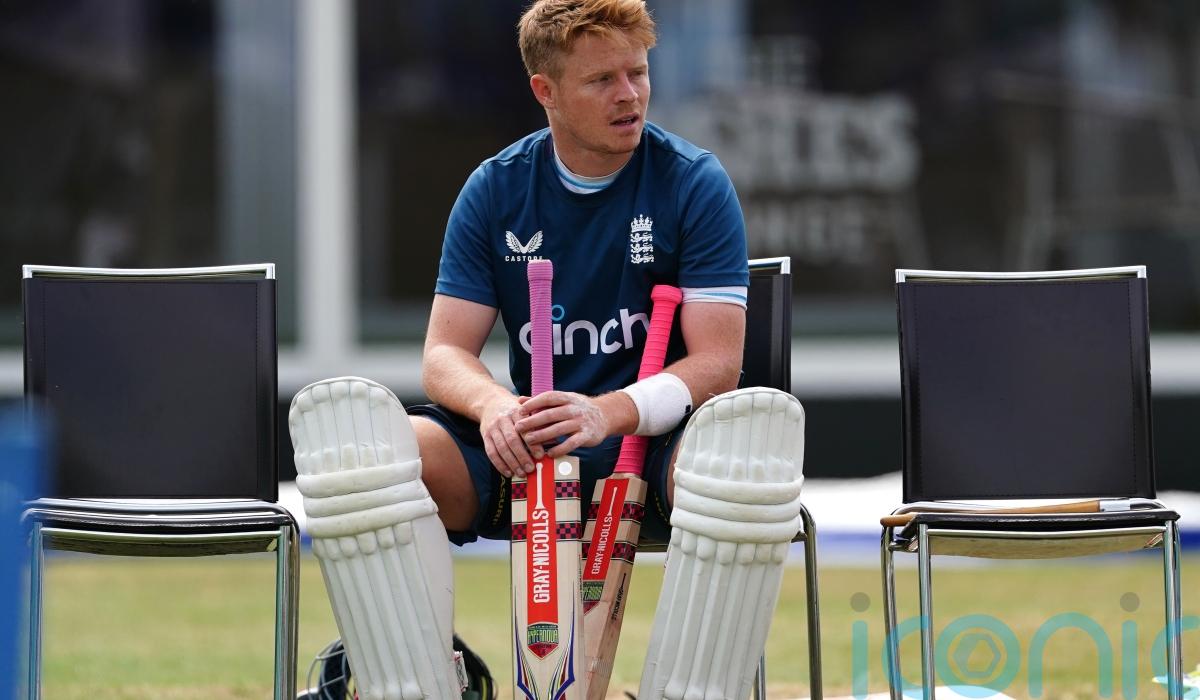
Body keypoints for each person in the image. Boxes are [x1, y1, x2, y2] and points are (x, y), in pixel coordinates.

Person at [287, 2, 805, 698]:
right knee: (366, 450)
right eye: (602, 80)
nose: (629, 95)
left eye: (638, 72)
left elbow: (717, 364)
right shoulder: (496, 188)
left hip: (657, 451)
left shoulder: (693, 180)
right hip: (526, 454)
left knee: (742, 452)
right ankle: (420, 686)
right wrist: (495, 408)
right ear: (545, 91)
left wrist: (606, 413)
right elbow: (444, 355)